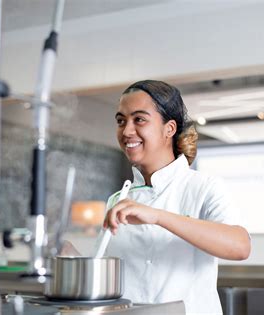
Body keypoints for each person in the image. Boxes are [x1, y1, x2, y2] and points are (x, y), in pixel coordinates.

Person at [101, 80, 251, 315]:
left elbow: (240, 246)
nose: (127, 131)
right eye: (121, 121)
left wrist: (158, 216)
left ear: (169, 128)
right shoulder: (118, 199)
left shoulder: (204, 187)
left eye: (139, 119)